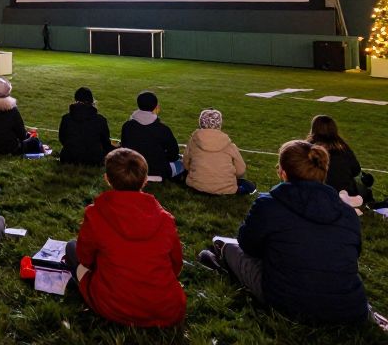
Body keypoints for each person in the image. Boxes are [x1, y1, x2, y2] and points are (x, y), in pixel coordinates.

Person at [198, 140, 368, 326]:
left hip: (289, 301)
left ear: (284, 173)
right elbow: (353, 254)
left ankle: (220, 256)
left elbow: (247, 245)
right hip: (351, 308)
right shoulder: (347, 212)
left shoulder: (268, 205)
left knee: (227, 247)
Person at [65, 148, 186, 328]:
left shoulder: (97, 213)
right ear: (145, 180)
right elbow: (176, 264)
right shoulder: (164, 219)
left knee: (71, 248)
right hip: (165, 308)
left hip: (113, 306)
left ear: (107, 178)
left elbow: (85, 258)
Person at [183, 109, 254, 195]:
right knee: (249, 185)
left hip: (196, 186)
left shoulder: (193, 142)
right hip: (226, 189)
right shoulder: (229, 145)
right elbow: (241, 170)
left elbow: (186, 164)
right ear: (219, 124)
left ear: (200, 123)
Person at [120, 91, 183, 180]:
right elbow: (173, 154)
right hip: (158, 171)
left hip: (133, 168)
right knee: (182, 163)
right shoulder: (163, 129)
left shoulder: (127, 126)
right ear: (155, 106)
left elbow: (124, 147)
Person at [0, 77, 43, 155]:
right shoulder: (12, 110)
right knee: (34, 140)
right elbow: (22, 135)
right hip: (8, 148)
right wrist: (29, 135)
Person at [58, 87, 114, 166]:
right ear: (91, 101)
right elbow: (105, 143)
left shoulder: (66, 118)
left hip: (69, 158)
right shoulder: (100, 120)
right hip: (94, 159)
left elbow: (62, 139)